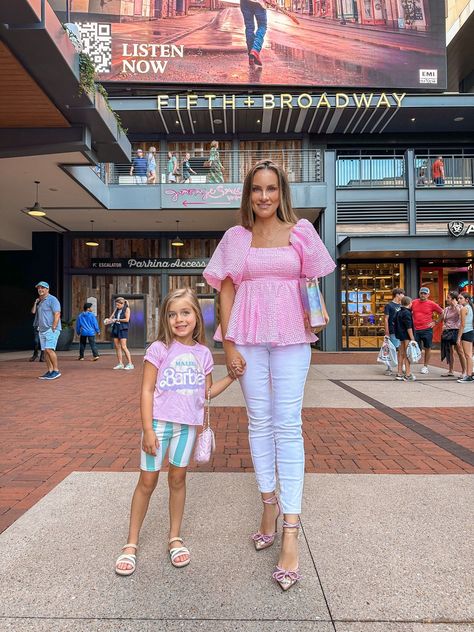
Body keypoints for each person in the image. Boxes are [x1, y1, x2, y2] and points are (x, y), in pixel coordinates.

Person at [203, 159, 336, 591]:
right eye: (257, 189)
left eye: (271, 189)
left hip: (293, 336)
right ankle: (267, 506)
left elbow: (313, 281)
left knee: (288, 425)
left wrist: (319, 314)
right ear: (248, 193)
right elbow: (225, 291)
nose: (264, 196)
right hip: (246, 337)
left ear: (282, 193)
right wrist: (228, 347)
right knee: (258, 422)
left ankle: (291, 529)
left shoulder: (302, 232)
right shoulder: (236, 237)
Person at [115, 288, 241, 577]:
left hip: (187, 428)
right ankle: (131, 542)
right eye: (172, 314)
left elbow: (206, 392)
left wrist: (232, 377)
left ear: (196, 316)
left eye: (185, 313)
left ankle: (175, 537)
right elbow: (147, 390)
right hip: (158, 425)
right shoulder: (158, 349)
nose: (179, 319)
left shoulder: (204, 353)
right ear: (166, 319)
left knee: (177, 478)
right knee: (147, 481)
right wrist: (147, 429)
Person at [411, 287, 442, 374]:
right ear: (419, 293)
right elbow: (407, 311)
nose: (423, 295)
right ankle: (408, 364)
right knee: (413, 347)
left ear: (428, 295)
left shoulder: (431, 303)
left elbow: (442, 312)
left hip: (427, 329)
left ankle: (425, 366)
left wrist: (435, 322)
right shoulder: (413, 302)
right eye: (422, 293)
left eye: (425, 293)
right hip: (415, 329)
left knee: (427, 348)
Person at [34, 281, 62, 380]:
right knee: (45, 351)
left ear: (47, 289)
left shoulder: (52, 299)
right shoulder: (40, 301)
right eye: (39, 288)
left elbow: (57, 313)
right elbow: (35, 313)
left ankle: (56, 371)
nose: (40, 290)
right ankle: (50, 371)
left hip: (51, 329)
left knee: (49, 349)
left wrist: (53, 327)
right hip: (42, 330)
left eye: (42, 288)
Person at [440, 291, 465, 378]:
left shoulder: (460, 307)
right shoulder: (446, 309)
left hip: (457, 331)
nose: (447, 299)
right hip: (448, 332)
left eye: (448, 298)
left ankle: (464, 372)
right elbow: (443, 318)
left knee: (460, 351)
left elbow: (461, 317)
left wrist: (455, 305)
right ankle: (451, 371)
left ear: (454, 299)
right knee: (450, 352)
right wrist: (442, 324)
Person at [393, 296, 416, 381]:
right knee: (408, 354)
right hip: (406, 336)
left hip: (400, 336)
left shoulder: (398, 312)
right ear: (410, 303)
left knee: (401, 354)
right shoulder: (407, 313)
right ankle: (408, 374)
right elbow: (409, 327)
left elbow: (393, 322)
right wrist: (412, 338)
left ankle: (399, 373)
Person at [383, 287, 405, 376]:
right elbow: (386, 319)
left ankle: (401, 365)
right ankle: (389, 367)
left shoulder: (402, 306)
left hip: (401, 331)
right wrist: (387, 331)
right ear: (397, 294)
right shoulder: (389, 305)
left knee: (401, 349)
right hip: (392, 330)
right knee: (391, 349)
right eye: (402, 294)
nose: (403, 296)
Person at [107, 297, 134, 370]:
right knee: (117, 346)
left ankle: (130, 364)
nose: (117, 306)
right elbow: (111, 317)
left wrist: (117, 319)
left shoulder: (127, 309)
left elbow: (127, 319)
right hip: (116, 328)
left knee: (123, 346)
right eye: (116, 305)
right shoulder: (117, 309)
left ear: (122, 304)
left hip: (123, 329)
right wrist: (108, 320)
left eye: (118, 305)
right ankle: (120, 363)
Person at [240, 0, 267, 66]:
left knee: (249, 27)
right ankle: (255, 50)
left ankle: (251, 56)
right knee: (262, 26)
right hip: (258, 3)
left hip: (245, 2)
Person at [456, 291, 473, 383]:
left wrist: (459, 337)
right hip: (470, 331)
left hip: (466, 332)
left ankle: (469, 375)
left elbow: (462, 325)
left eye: (460, 298)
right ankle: (470, 374)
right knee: (469, 355)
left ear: (466, 299)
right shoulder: (470, 307)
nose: (459, 300)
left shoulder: (464, 309)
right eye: (458, 298)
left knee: (467, 355)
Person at [30, 297, 44, 362]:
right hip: (36, 325)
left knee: (43, 342)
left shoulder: (47, 305)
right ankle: (35, 354)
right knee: (36, 341)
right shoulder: (38, 305)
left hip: (44, 325)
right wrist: (35, 303)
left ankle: (42, 356)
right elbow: (33, 312)